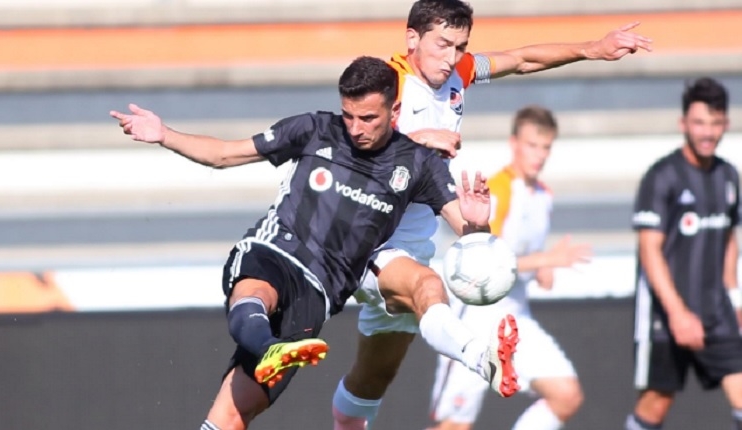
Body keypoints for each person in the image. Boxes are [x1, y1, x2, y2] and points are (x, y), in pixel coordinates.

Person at [109, 56, 494, 430]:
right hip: (276, 250)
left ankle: (269, 347)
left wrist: (477, 225)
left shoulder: (419, 164)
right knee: (257, 291)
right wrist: (164, 135)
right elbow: (226, 154)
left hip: (319, 291)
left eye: (368, 118)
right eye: (348, 115)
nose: (355, 127)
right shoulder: (314, 129)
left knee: (232, 417)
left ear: (395, 111)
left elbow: (469, 235)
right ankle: (267, 346)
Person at [332, 1, 654, 428]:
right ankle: (478, 356)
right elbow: (343, 145)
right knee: (429, 289)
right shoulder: (389, 84)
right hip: (366, 240)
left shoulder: (458, 73)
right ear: (412, 38)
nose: (451, 58)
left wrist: (592, 49)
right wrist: (411, 138)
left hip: (413, 246)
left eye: (460, 47)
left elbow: (519, 60)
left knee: (371, 380)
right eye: (442, 44)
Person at [427, 105, 591, 430]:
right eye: (533, 145)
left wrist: (543, 269)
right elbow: (489, 260)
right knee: (454, 425)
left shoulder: (543, 195)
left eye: (546, 147)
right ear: (514, 143)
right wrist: (547, 260)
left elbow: (527, 254)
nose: (539, 155)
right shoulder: (498, 189)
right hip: (475, 316)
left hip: (516, 316)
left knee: (566, 394)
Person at [626, 77, 742, 430]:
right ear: (684, 124)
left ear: (726, 124)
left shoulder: (728, 177)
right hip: (665, 313)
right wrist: (678, 314)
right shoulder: (662, 177)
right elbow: (649, 249)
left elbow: (728, 240)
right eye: (699, 123)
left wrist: (735, 299)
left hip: (716, 311)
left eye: (715, 123)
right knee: (657, 403)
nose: (707, 132)